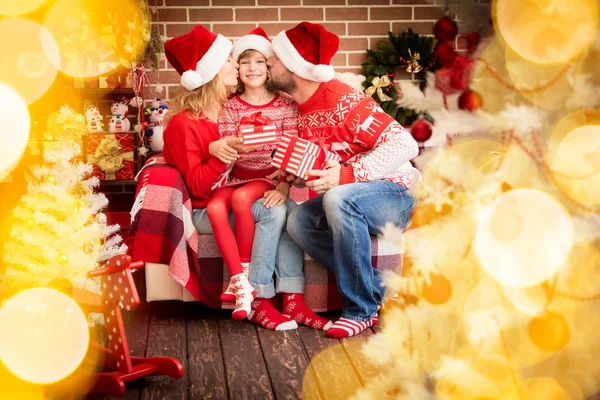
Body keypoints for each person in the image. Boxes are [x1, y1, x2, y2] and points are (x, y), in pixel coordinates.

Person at [266, 22, 420, 339]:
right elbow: (325, 158)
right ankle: (378, 286)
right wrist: (292, 172)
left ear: (295, 67)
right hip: (353, 200)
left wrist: (347, 175)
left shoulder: (344, 101)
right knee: (298, 222)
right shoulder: (300, 109)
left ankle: (360, 310)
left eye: (275, 59)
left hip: (396, 195)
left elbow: (406, 145)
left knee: (339, 197)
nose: (269, 63)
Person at [215, 27, 332, 330]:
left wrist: (282, 185)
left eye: (259, 62)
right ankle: (260, 300)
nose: (252, 68)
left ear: (268, 69)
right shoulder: (229, 108)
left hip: (272, 181)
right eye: (244, 63)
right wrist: (239, 144)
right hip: (238, 184)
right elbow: (227, 155)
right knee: (279, 212)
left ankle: (293, 303)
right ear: (237, 70)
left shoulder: (285, 105)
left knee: (291, 212)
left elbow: (292, 151)